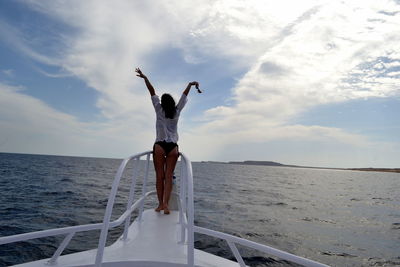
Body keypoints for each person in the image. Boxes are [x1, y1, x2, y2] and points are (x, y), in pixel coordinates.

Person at [135, 67, 199, 215]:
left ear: (162, 102)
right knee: (168, 177)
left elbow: (152, 91)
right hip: (172, 147)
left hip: (159, 146)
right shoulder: (176, 111)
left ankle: (159, 205)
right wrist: (190, 85)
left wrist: (145, 78)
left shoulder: (158, 108)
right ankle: (166, 205)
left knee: (160, 177)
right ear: (172, 102)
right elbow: (183, 97)